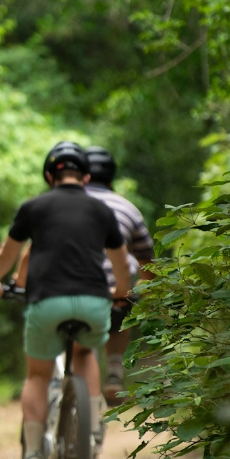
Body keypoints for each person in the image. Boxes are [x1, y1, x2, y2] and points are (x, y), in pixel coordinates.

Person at [0, 142, 130, 459]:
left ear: (50, 176)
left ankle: (34, 453)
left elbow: (9, 254)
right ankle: (92, 429)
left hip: (46, 301)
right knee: (84, 354)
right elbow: (120, 261)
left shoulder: (34, 206)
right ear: (86, 177)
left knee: (38, 374)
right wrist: (121, 293)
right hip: (94, 302)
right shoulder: (100, 209)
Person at [82, 146, 154, 402]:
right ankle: (114, 370)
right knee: (122, 304)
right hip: (113, 293)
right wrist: (139, 297)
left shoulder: (62, 202)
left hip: (64, 288)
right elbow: (147, 263)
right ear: (111, 178)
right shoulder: (128, 208)